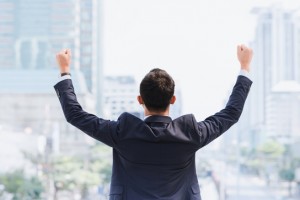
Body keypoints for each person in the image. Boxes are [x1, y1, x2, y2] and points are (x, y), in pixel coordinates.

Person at [54, 44, 253, 200]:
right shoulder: (191, 134)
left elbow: (75, 114)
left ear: (140, 100)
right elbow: (231, 113)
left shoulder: (122, 133)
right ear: (173, 100)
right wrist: (244, 67)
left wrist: (65, 70)